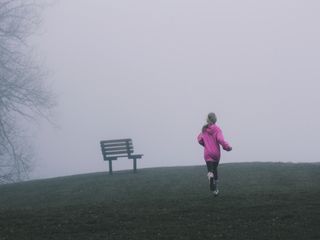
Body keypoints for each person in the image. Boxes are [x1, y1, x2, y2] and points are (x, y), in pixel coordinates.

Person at [197, 113, 232, 196]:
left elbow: (199, 139)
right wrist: (227, 147)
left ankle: (211, 180)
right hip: (216, 153)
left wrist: (205, 144)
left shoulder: (204, 129)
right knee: (215, 169)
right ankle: (215, 187)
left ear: (208, 119)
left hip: (207, 153)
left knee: (210, 170)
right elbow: (220, 140)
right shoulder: (217, 129)